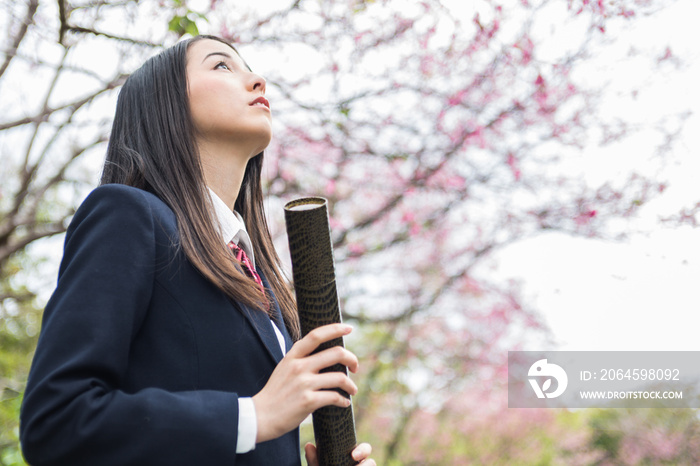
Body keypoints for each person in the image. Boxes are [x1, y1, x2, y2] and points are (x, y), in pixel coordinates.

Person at [19, 35, 375, 466]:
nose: (257, 80)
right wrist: (253, 416)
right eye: (222, 66)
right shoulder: (127, 214)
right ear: (164, 103)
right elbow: (56, 419)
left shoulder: (258, 278)